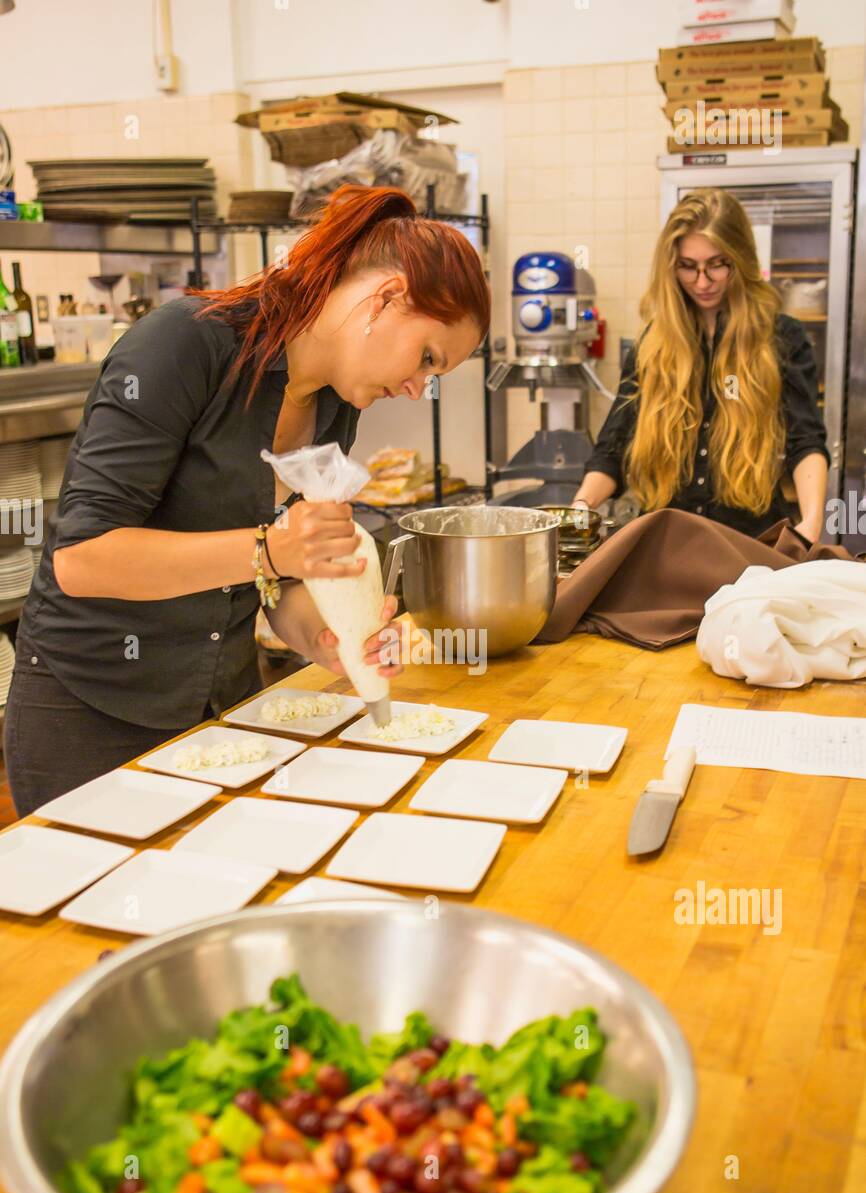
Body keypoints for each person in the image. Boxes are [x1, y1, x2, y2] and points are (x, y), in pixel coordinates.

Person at [5, 184, 489, 816]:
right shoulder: (185, 345)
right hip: (94, 713)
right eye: (427, 358)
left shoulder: (336, 404)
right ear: (387, 296)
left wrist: (320, 636)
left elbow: (273, 579)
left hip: (225, 708)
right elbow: (83, 558)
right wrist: (271, 549)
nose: (417, 386)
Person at [573, 188, 829, 541]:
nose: (702, 282)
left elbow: (806, 442)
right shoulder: (653, 345)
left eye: (717, 265)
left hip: (749, 544)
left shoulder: (781, 339)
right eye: (688, 267)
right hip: (665, 544)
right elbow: (611, 449)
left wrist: (812, 524)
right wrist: (582, 506)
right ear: (671, 266)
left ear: (740, 260)